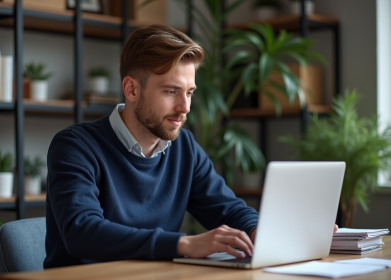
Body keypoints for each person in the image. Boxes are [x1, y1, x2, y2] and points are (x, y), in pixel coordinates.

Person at [44, 24, 335, 269]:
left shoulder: (184, 146)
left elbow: (227, 210)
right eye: (171, 91)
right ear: (132, 89)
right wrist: (183, 244)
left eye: (189, 92)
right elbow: (81, 231)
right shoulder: (75, 146)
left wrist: (266, 232)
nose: (184, 107)